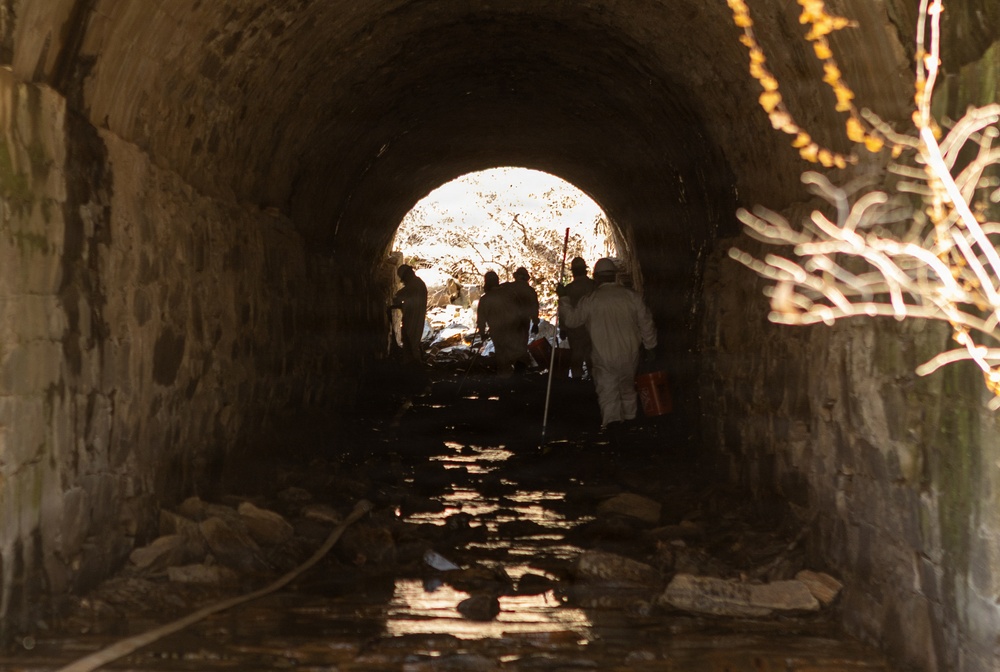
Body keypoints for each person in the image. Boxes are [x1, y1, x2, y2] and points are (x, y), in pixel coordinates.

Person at [558, 257, 657, 429]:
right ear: (614, 276)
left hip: (603, 357)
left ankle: (614, 432)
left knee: (608, 395)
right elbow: (646, 322)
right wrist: (650, 346)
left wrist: (564, 299)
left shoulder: (591, 300)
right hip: (629, 354)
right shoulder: (632, 296)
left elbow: (573, 320)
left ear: (596, 277)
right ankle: (631, 425)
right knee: (628, 390)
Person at [476, 270, 530, 376]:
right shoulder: (509, 293)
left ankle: (505, 384)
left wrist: (482, 334)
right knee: (518, 356)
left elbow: (481, 321)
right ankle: (520, 380)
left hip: (498, 334)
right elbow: (520, 310)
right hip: (515, 330)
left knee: (503, 361)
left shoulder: (485, 299)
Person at [560, 257, 596, 380]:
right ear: (585, 271)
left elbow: (564, 310)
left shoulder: (568, 289)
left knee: (577, 358)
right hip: (593, 328)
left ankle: (577, 385)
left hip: (575, 330)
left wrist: (563, 328)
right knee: (593, 357)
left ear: (573, 272)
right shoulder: (594, 286)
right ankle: (594, 383)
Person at [389, 264, 428, 365]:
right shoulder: (419, 283)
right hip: (415, 318)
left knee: (410, 344)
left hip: (412, 319)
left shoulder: (414, 285)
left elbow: (398, 297)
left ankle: (413, 367)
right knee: (412, 343)